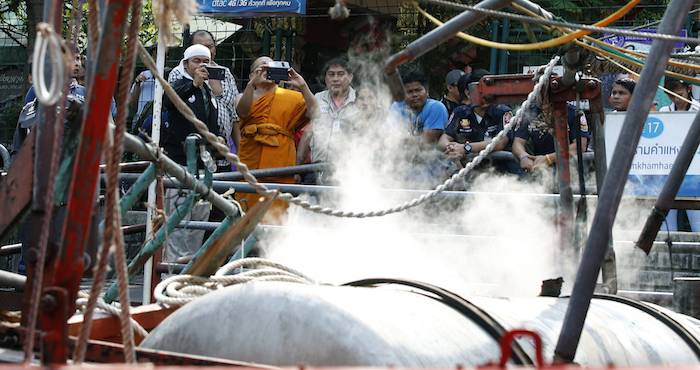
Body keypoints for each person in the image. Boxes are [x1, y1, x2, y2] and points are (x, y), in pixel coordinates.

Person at [235, 56, 317, 221]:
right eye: (261, 68)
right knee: (247, 205)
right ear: (252, 75)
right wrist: (252, 85)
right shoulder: (243, 96)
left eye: (270, 69)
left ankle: (273, 242)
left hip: (281, 153)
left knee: (277, 208)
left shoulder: (290, 96)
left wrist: (303, 86)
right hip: (251, 154)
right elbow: (242, 112)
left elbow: (315, 113)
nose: (266, 72)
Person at [161, 44, 221, 262]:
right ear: (185, 64)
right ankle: (170, 278)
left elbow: (208, 123)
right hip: (181, 163)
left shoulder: (208, 90)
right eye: (197, 61)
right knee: (178, 222)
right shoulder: (179, 85)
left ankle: (189, 276)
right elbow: (168, 103)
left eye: (206, 62)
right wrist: (193, 84)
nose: (202, 66)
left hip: (204, 166)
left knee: (199, 222)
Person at [169, 30, 239, 171]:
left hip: (217, 154)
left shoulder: (224, 73)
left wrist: (232, 145)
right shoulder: (179, 74)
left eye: (210, 46)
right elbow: (171, 102)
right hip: (186, 157)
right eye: (197, 59)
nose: (206, 51)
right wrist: (194, 84)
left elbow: (232, 114)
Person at [438, 71, 516, 174]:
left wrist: (465, 148)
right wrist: (451, 147)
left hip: (501, 171)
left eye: (487, 91)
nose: (484, 96)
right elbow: (444, 139)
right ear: (468, 93)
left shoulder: (503, 111)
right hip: (468, 171)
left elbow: (500, 143)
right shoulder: (460, 112)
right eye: (479, 91)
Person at [301, 57, 359, 183]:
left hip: (349, 170)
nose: (335, 79)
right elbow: (307, 133)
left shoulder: (360, 101)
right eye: (331, 74)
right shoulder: (317, 98)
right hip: (317, 169)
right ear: (326, 78)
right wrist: (297, 167)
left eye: (341, 74)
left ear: (350, 77)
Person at [511, 104, 590, 173]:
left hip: (572, 170)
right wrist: (523, 156)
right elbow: (518, 142)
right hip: (540, 169)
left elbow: (579, 146)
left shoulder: (574, 112)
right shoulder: (529, 112)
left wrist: (548, 159)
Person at [391, 70, 448, 146]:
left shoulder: (436, 107)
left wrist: (396, 140)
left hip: (432, 155)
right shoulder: (397, 107)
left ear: (427, 91)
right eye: (409, 91)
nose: (414, 95)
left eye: (418, 90)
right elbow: (389, 132)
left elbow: (425, 141)